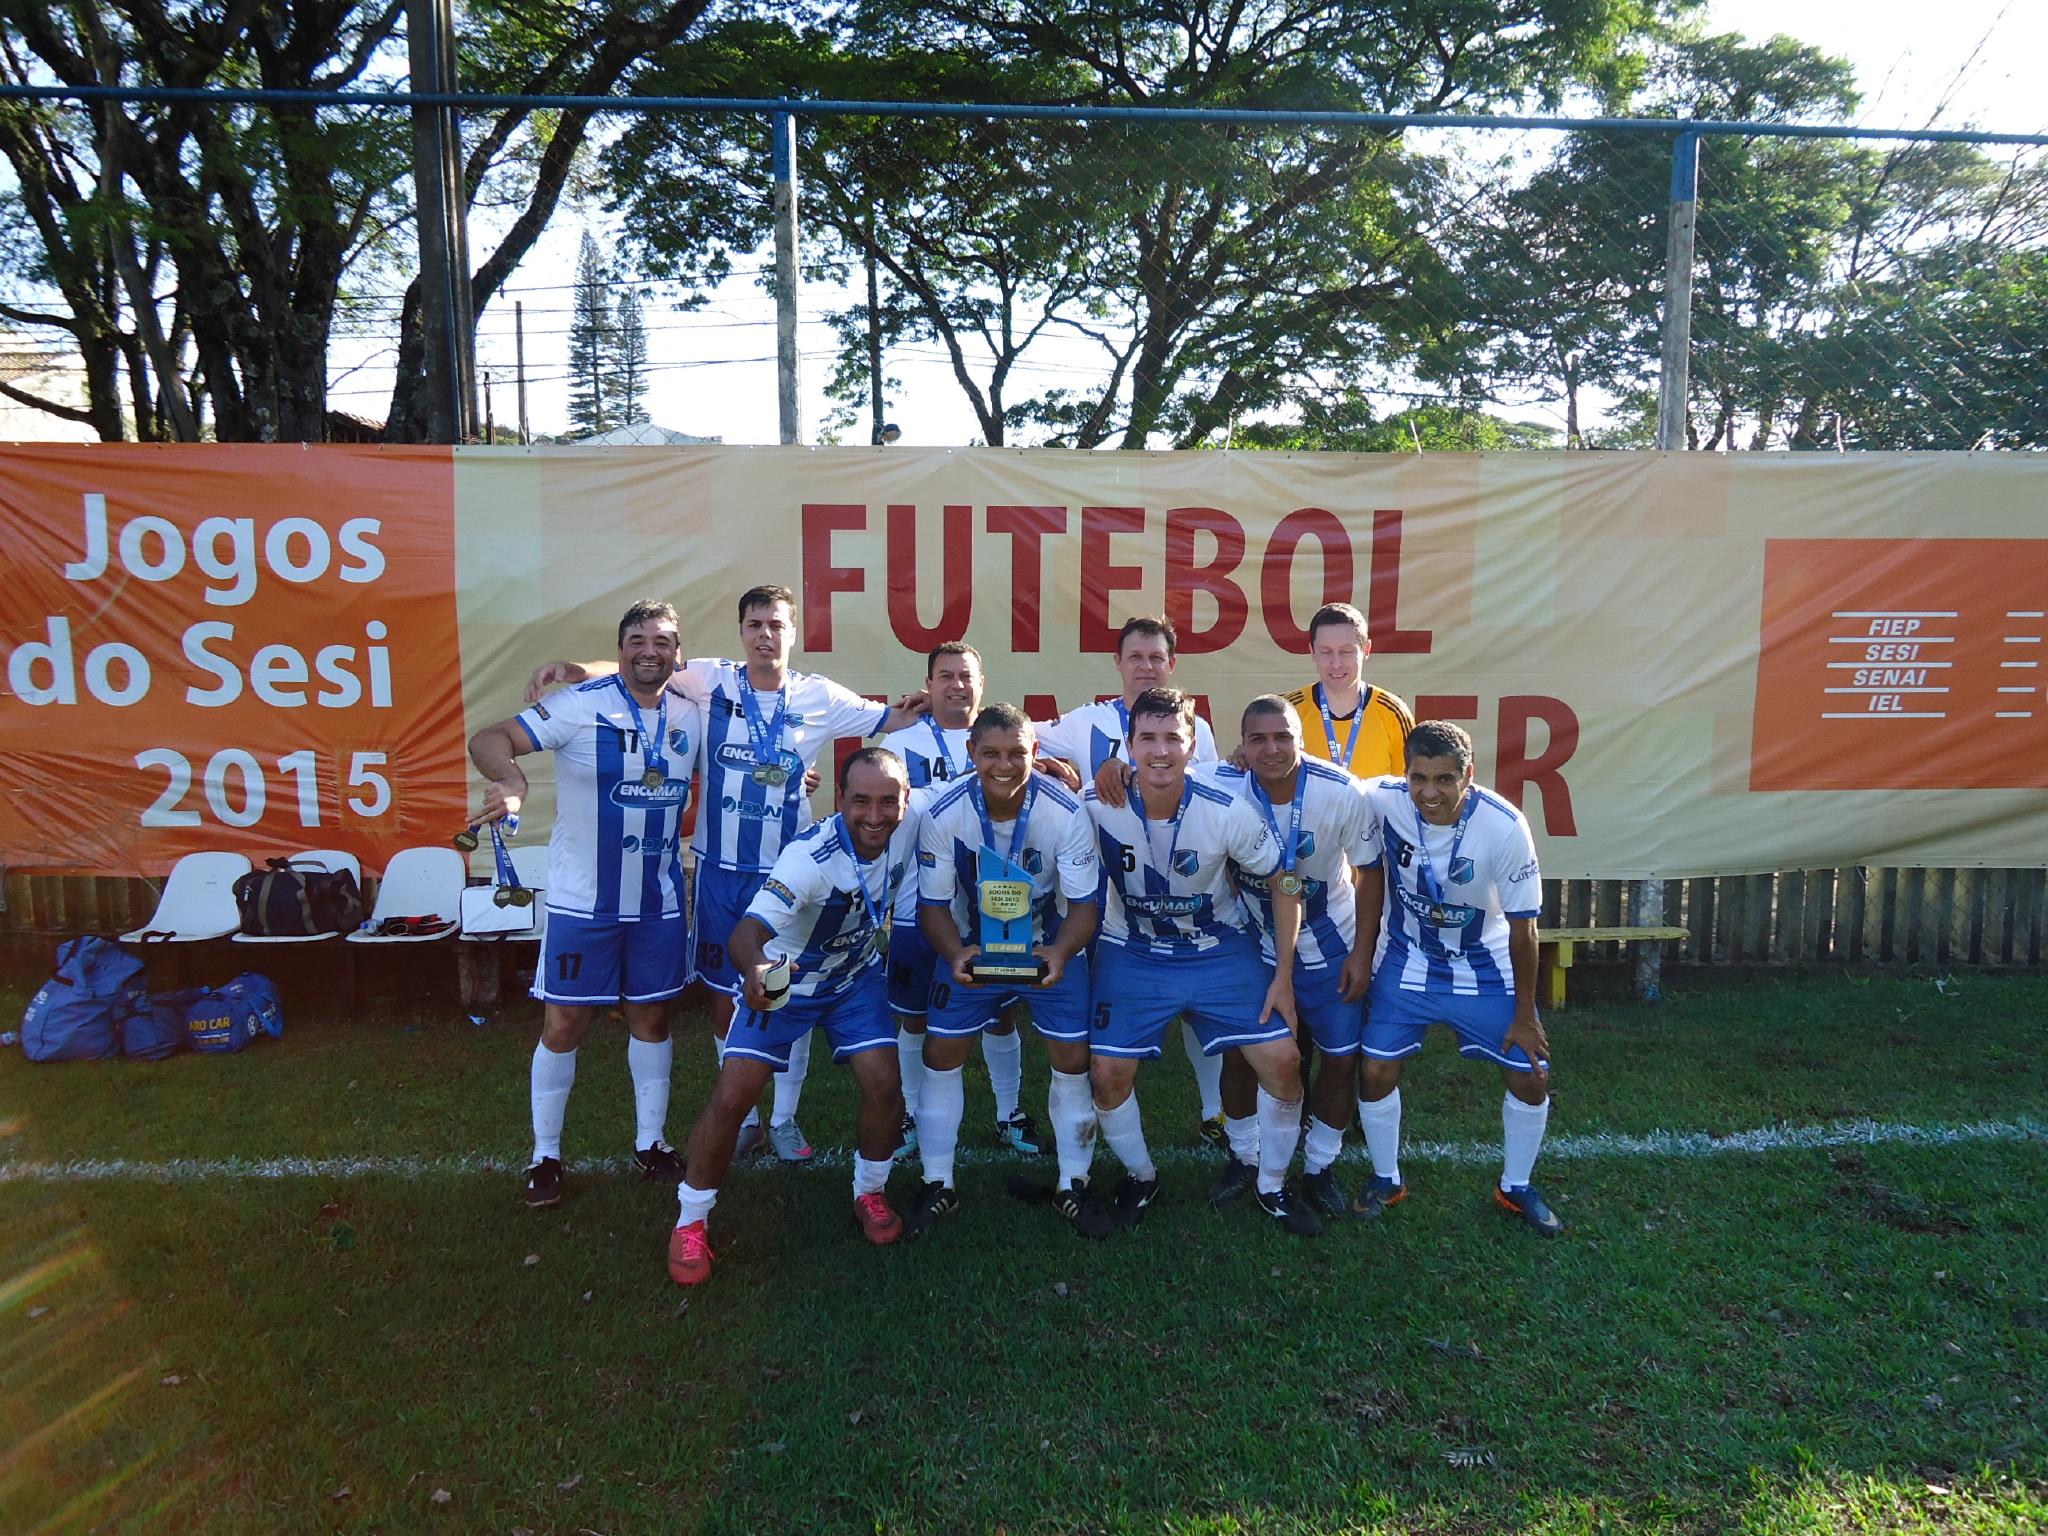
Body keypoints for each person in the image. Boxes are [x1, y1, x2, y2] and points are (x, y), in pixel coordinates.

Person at [528, 584, 927, 1163]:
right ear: (741, 632)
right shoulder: (709, 679)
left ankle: (784, 1119)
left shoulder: (820, 695)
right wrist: (574, 669)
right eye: (755, 625)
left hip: (792, 878)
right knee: (726, 1001)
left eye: (777, 625)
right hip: (720, 873)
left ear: (794, 633)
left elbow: (897, 717)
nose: (766, 635)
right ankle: (750, 1121)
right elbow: (646, 666)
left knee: (789, 990)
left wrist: (948, 707)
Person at [470, 600, 702, 1209]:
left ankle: (651, 1143)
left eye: (662, 641)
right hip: (582, 905)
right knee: (564, 1024)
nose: (649, 651)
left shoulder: (692, 711)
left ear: (678, 654)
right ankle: (545, 1155)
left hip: (657, 903)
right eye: (636, 640)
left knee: (652, 1020)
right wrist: (513, 782)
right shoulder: (579, 705)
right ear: (620, 649)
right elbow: (490, 738)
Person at [667, 748, 919, 1285]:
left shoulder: (913, 821)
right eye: (861, 802)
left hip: (853, 979)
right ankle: (691, 1220)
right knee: (734, 1095)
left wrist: (1052, 768)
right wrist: (757, 970)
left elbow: (986, 782)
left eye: (888, 802)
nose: (875, 816)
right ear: (839, 799)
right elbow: (747, 932)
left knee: (884, 1084)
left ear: (905, 800)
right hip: (788, 982)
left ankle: (870, 1192)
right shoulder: (808, 858)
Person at [1079, 687, 1324, 1236]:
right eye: (1147, 738)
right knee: (1106, 1073)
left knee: (1284, 1060)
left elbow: (1285, 882)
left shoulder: (1226, 809)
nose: (1160, 751)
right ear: (1128, 745)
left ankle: (1272, 1185)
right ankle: (1141, 1177)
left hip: (1218, 948)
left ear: (1193, 746)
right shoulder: (1095, 803)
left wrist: (1283, 977)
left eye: (1173, 738)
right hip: (1133, 949)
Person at [1355, 720, 1562, 1235]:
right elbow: (1321, 783)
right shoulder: (1383, 798)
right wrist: (1245, 763)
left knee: (1531, 1074)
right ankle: (1386, 1179)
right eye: (1418, 778)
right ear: (1405, 774)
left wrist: (1525, 1015)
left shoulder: (1504, 825)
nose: (1429, 792)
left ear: (1468, 776)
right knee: (1375, 1070)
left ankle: (1516, 1185)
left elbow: (1524, 927)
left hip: (1483, 968)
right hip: (1409, 962)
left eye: (1444, 779)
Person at [906, 703, 1103, 1239]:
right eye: (990, 753)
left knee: (1072, 1058)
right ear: (970, 753)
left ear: (1035, 752)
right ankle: (938, 1182)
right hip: (971, 948)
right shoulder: (944, 813)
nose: (1004, 764)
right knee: (941, 1053)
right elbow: (932, 906)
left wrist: (1060, 952)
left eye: (1017, 753)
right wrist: (954, 954)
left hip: (1047, 948)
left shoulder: (1065, 811)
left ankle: (1073, 1183)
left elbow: (1084, 907)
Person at [1033, 615, 1227, 1148]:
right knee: (1102, 1002)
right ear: (1117, 663)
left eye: (1156, 658)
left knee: (1196, 1008)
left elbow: (1209, 793)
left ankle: (1214, 1111)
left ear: (1172, 664)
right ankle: (1095, 1111)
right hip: (1101, 894)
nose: (1146, 667)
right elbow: (1015, 736)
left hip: (1176, 885)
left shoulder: (1196, 727)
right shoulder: (1087, 721)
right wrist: (1056, 768)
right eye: (1135, 657)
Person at [1204, 696, 1384, 1220]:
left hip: (1332, 942)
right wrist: (1118, 770)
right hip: (1254, 943)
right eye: (1258, 739)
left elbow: (1370, 873)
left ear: (1300, 740)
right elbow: (1156, 774)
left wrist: (1362, 953)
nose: (1272, 749)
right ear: (1242, 745)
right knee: (1241, 1054)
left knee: (1340, 1058)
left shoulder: (1341, 790)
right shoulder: (1219, 786)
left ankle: (1320, 1167)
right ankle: (1244, 1156)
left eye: (1282, 737)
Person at [879, 643, 1058, 1161]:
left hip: (996, 907)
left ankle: (1008, 1113)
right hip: (920, 902)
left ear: (982, 684)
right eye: (945, 676)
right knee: (916, 1018)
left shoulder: (1005, 738)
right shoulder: (901, 741)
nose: (957, 685)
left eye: (966, 676)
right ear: (928, 684)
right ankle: (910, 1113)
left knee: (1000, 1014)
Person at [1280, 602, 1414, 780]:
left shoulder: (1394, 713)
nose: (1336, 664)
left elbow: (1409, 786)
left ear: (1366, 650)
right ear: (1312, 651)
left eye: (1346, 652)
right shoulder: (1287, 713)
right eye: (1326, 652)